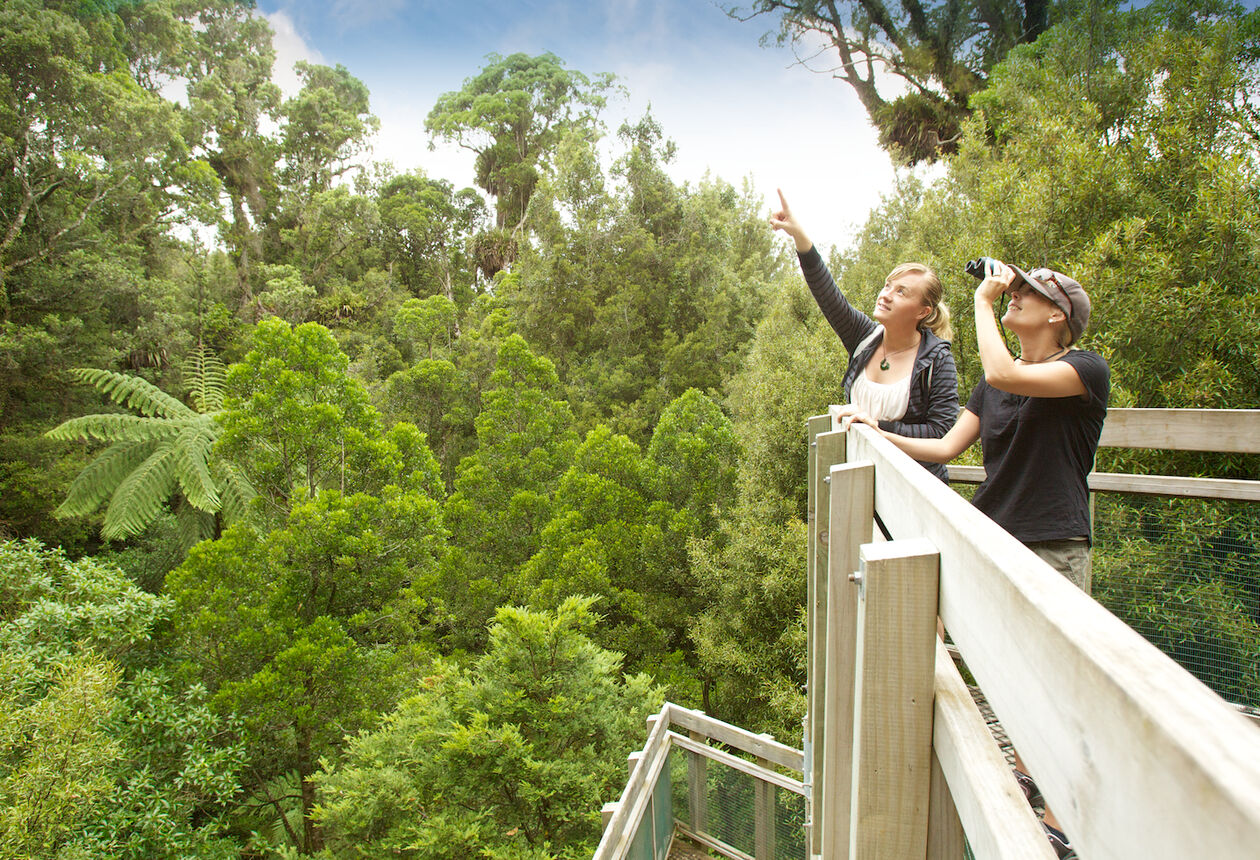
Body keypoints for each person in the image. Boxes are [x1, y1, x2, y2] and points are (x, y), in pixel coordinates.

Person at [848, 256, 1109, 860]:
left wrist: (983, 302)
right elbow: (943, 446)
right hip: (988, 538)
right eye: (1013, 291)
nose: (1016, 296)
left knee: (1048, 684)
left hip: (1051, 545)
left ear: (1058, 317)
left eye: (1031, 293)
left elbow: (1004, 371)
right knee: (993, 669)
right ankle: (1012, 788)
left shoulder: (1085, 371)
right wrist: (877, 430)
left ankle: (1055, 825)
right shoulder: (993, 384)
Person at [769, 190, 958, 481]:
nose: (886, 295)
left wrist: (879, 428)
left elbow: (940, 434)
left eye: (901, 292)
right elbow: (828, 295)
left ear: (923, 310)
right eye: (887, 285)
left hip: (913, 493)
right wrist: (799, 237)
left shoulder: (937, 362)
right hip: (859, 485)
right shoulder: (865, 339)